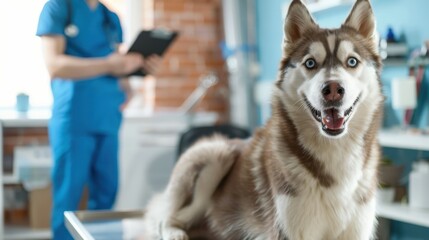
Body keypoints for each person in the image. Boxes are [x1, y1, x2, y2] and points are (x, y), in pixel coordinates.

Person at [36, 0, 161, 239]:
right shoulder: (59, 7)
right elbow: (55, 65)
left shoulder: (110, 17)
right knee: (68, 195)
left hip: (108, 115)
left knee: (107, 193)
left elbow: (117, 66)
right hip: (75, 116)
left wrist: (138, 71)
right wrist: (109, 64)